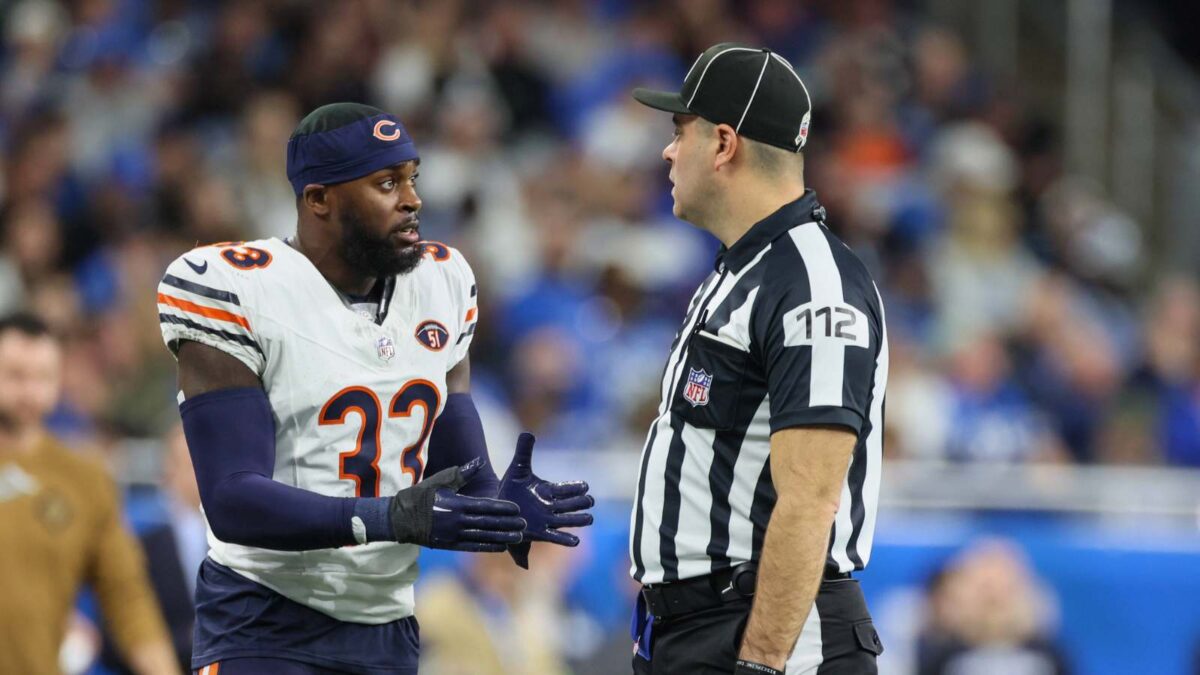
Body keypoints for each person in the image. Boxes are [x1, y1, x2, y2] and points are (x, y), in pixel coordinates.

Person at [156, 103, 593, 675]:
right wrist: (387, 517)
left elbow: (455, 455)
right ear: (319, 199)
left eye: (413, 178)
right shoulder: (235, 286)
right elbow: (233, 499)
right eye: (387, 183)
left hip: (386, 628)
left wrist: (497, 505)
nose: (412, 200)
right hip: (262, 621)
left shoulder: (443, 279)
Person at [627, 44, 889, 674]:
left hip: (770, 635)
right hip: (700, 627)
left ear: (723, 144)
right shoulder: (745, 269)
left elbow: (810, 497)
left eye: (678, 130)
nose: (667, 151)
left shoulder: (812, 281)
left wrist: (761, 663)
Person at [0, 313, 181, 675]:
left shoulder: (85, 479)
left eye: (43, 377)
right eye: (16, 375)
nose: (30, 391)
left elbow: (128, 598)